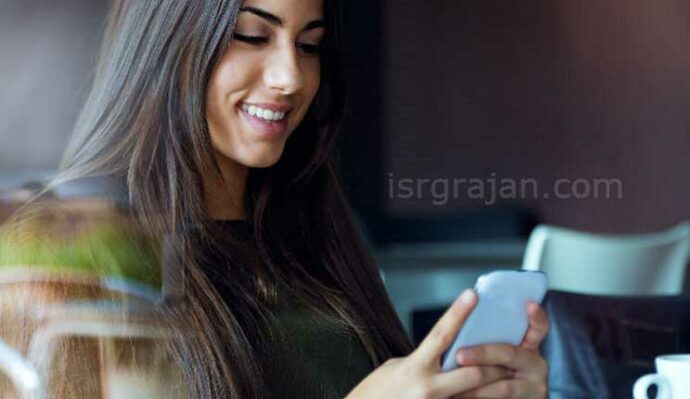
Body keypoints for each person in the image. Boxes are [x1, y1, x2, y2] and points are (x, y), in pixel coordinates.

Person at [2, 0, 549, 398]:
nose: (291, 77)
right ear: (166, 42)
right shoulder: (60, 248)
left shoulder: (311, 231)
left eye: (309, 45)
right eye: (251, 35)